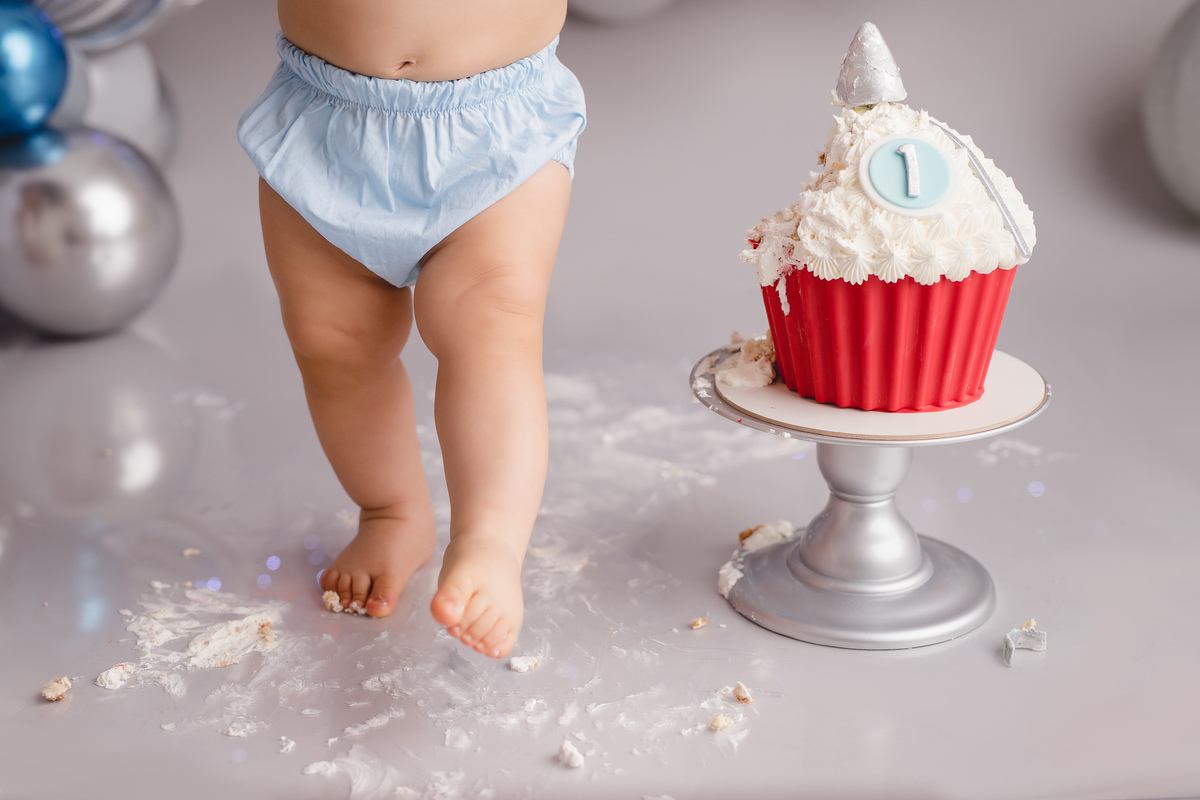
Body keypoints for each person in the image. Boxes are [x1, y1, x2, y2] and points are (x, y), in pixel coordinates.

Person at [237, 0, 585, 660]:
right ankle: (390, 509)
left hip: (494, 128)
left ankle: (489, 540)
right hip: (325, 117)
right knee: (332, 339)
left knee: (492, 322)